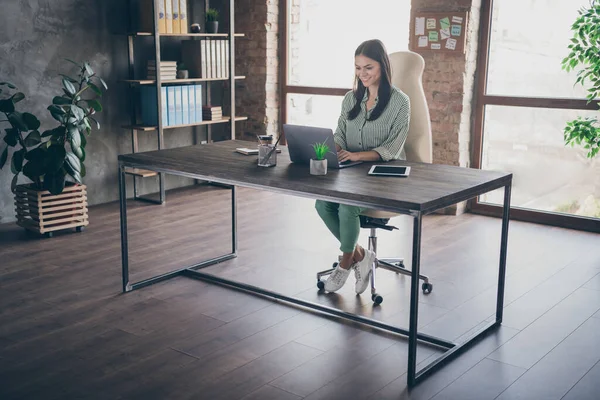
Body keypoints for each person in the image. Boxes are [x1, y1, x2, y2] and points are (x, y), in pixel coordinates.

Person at [315, 39, 411, 294]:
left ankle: (345, 262)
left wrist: (356, 156)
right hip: (352, 173)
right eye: (358, 68)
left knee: (347, 205)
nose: (362, 74)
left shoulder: (400, 102)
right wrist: (332, 147)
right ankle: (360, 254)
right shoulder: (351, 99)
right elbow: (340, 136)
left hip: (384, 174)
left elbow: (391, 149)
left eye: (368, 67)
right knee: (321, 203)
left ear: (383, 66)